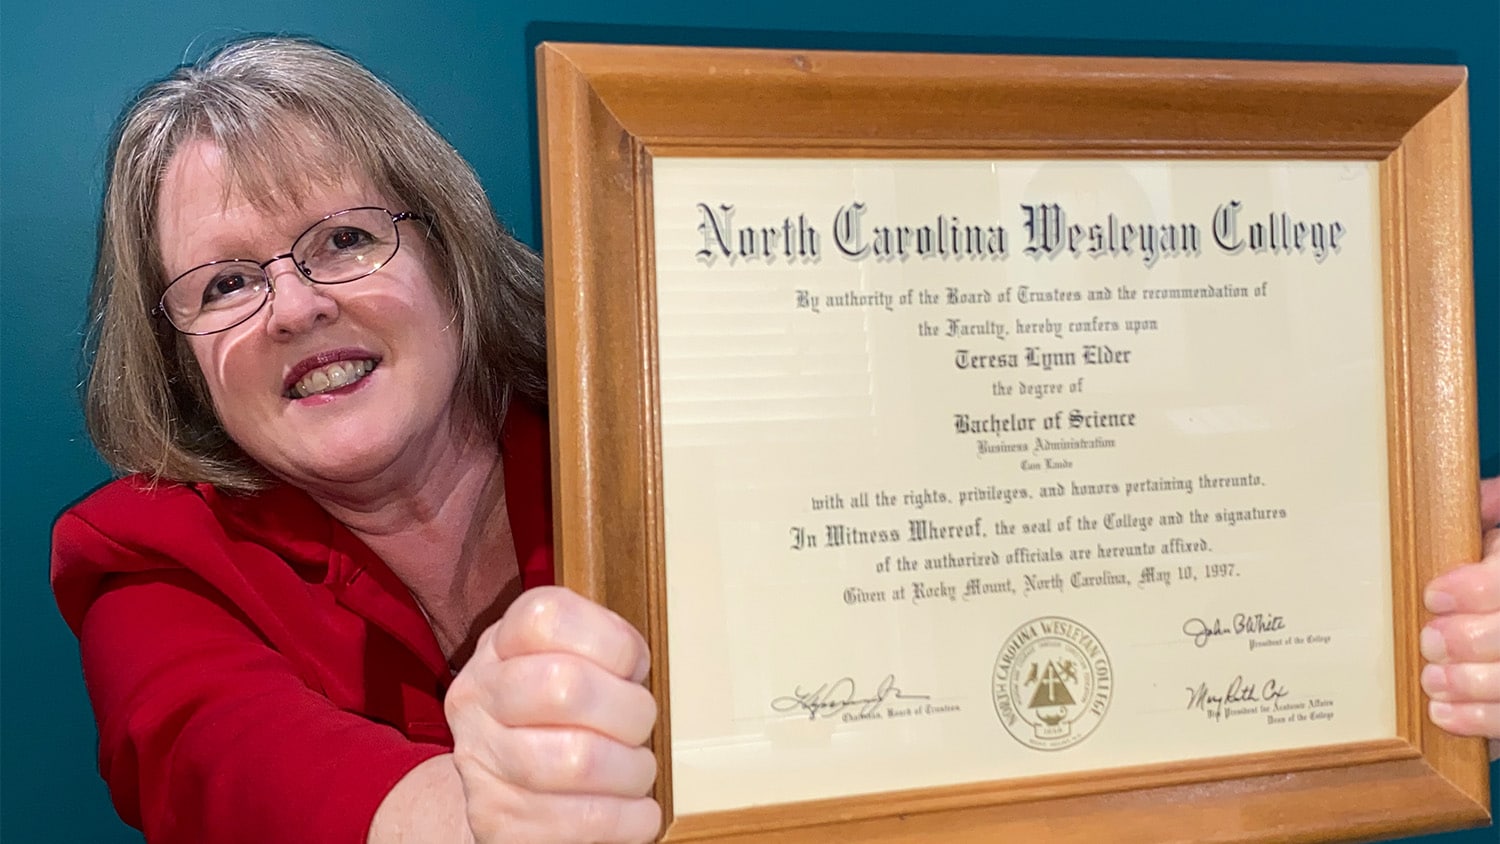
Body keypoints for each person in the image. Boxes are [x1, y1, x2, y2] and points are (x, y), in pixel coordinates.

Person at [50, 34, 1500, 844]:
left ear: (443, 252)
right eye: (226, 283)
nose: (295, 305)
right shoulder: (142, 555)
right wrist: (471, 815)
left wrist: (1392, 628)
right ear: (173, 344)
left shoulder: (675, 434)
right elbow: (220, 766)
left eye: (344, 238)